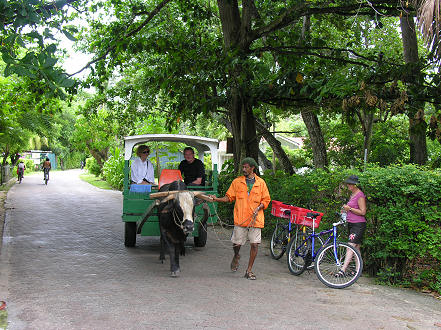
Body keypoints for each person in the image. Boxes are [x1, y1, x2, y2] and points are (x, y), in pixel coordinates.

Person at [209, 157, 271, 280]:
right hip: (241, 219)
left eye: (246, 167)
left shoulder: (261, 183)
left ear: (252, 168)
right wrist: (216, 199)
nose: (243, 169)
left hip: (256, 219)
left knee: (254, 244)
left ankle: (249, 271)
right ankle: (236, 255)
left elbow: (266, 200)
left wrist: (259, 207)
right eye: (242, 167)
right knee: (237, 244)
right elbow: (229, 198)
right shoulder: (237, 182)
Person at [337, 174, 367, 277]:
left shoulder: (360, 195)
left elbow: (363, 212)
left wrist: (349, 209)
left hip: (358, 225)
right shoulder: (352, 195)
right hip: (351, 223)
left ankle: (343, 269)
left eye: (350, 184)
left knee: (350, 246)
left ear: (354, 185)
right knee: (356, 248)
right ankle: (358, 271)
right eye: (348, 184)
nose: (348, 186)